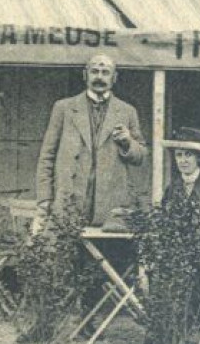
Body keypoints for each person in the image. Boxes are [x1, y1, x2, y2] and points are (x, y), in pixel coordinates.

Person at [35, 54, 148, 228]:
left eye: (105, 72)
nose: (99, 77)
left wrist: (128, 142)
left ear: (114, 77)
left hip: (111, 207)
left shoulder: (127, 111)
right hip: (70, 200)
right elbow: (47, 155)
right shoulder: (64, 108)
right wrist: (45, 197)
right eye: (94, 71)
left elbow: (141, 156)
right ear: (85, 75)